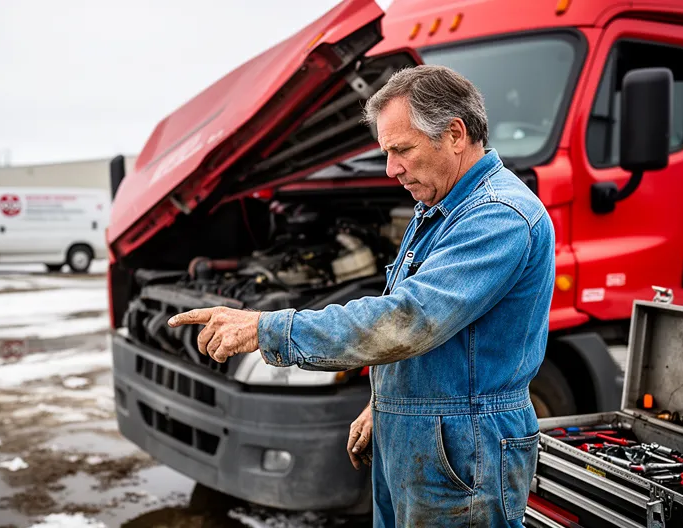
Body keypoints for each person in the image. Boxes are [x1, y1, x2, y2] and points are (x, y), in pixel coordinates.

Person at [168, 65, 555, 526]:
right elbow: (430, 333)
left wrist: (265, 327)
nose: (391, 169)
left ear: (455, 133)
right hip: (422, 436)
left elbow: (410, 319)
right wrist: (384, 404)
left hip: (462, 449)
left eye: (402, 150)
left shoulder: (499, 217)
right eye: (387, 152)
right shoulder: (439, 207)